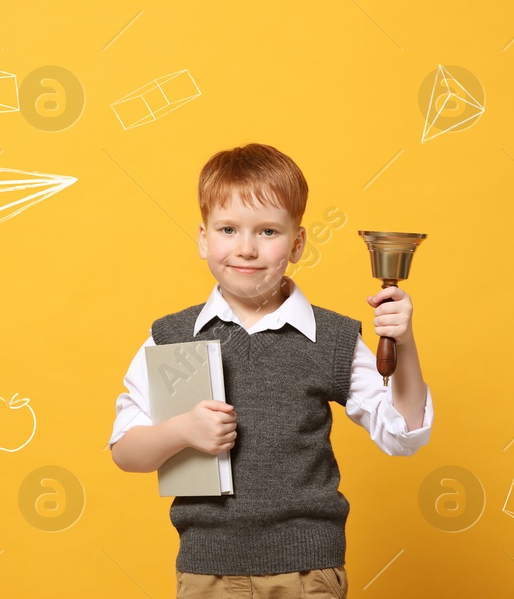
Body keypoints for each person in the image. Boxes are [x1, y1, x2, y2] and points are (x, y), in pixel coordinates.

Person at [107, 143, 435, 598]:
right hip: (207, 573)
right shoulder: (172, 337)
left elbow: (402, 434)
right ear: (204, 238)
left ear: (296, 243)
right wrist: (183, 430)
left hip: (307, 572)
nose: (246, 248)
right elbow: (126, 451)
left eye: (267, 231)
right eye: (228, 229)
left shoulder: (332, 337)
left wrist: (405, 344)